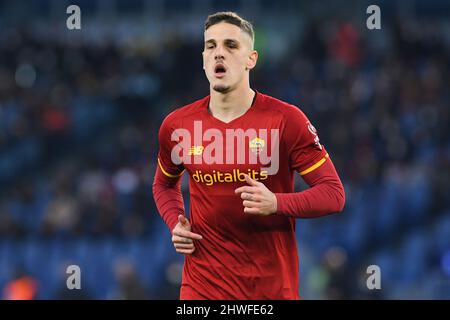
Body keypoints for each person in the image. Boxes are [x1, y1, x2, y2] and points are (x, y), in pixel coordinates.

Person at [152, 11, 345, 300]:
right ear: (203, 58)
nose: (219, 54)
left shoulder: (286, 120)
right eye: (211, 46)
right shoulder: (177, 125)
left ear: (250, 59)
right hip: (202, 289)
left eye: (231, 45)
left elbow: (333, 194)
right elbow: (164, 184)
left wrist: (276, 202)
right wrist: (176, 221)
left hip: (269, 290)